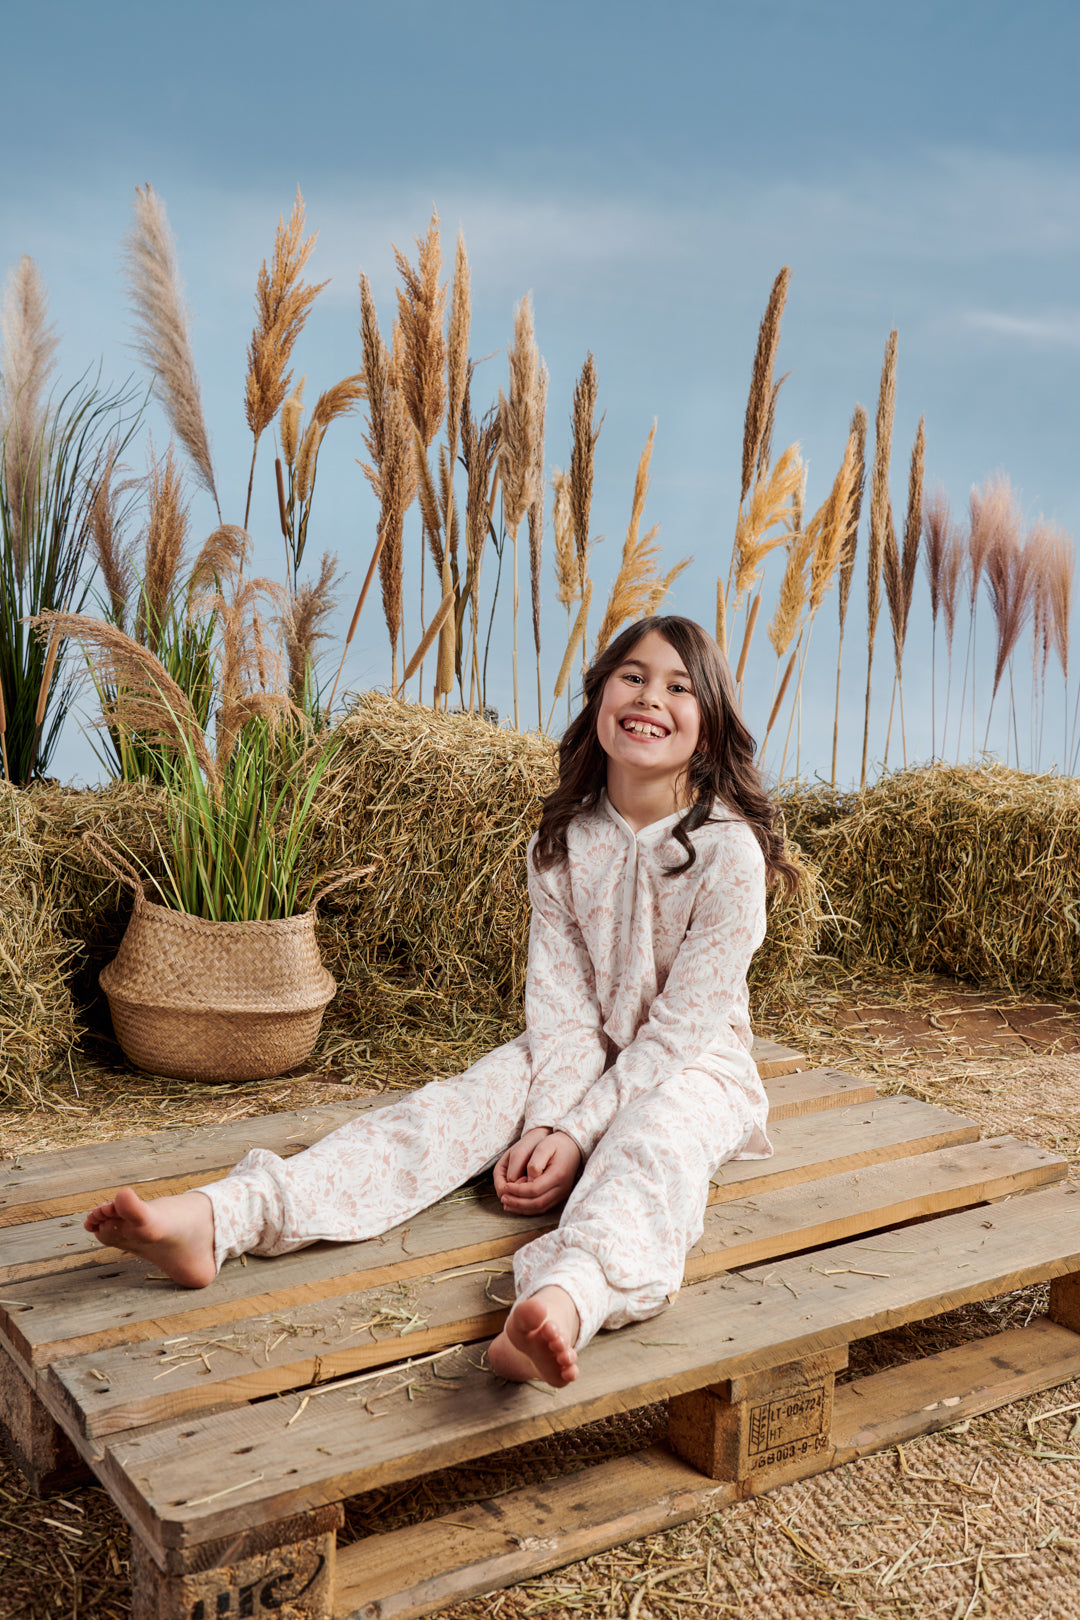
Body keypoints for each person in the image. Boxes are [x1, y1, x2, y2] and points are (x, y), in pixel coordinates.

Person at [85, 616, 797, 1389]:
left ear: (710, 722)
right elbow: (558, 1012)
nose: (649, 696)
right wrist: (551, 1121)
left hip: (695, 1068)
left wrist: (580, 1134)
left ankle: (563, 1303)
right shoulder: (561, 842)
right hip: (575, 1054)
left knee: (652, 1145)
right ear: (599, 696)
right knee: (446, 1109)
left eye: (678, 686)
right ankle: (226, 1216)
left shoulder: (728, 851)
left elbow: (678, 1035)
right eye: (632, 675)